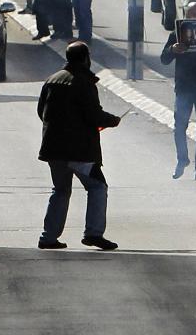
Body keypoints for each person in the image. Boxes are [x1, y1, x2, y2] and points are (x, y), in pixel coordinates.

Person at [36, 42, 122, 251]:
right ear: (85, 58)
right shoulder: (83, 82)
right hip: (79, 151)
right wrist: (113, 120)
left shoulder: (52, 79)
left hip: (53, 149)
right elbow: (94, 115)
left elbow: (41, 112)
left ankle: (48, 237)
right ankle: (93, 233)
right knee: (98, 187)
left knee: (60, 190)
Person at [160, 3, 196, 181]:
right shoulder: (177, 35)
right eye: (192, 14)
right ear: (186, 16)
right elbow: (164, 59)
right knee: (179, 127)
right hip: (184, 88)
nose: (195, 18)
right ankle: (182, 159)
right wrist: (173, 49)